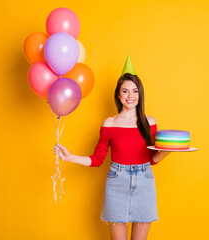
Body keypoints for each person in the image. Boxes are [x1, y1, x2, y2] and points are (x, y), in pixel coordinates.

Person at [53, 60, 170, 240]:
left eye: (135, 91)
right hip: (117, 182)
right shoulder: (109, 124)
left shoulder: (150, 123)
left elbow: (152, 159)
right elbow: (98, 159)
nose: (130, 95)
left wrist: (168, 150)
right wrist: (69, 157)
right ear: (118, 95)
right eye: (125, 91)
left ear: (140, 95)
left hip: (144, 181)